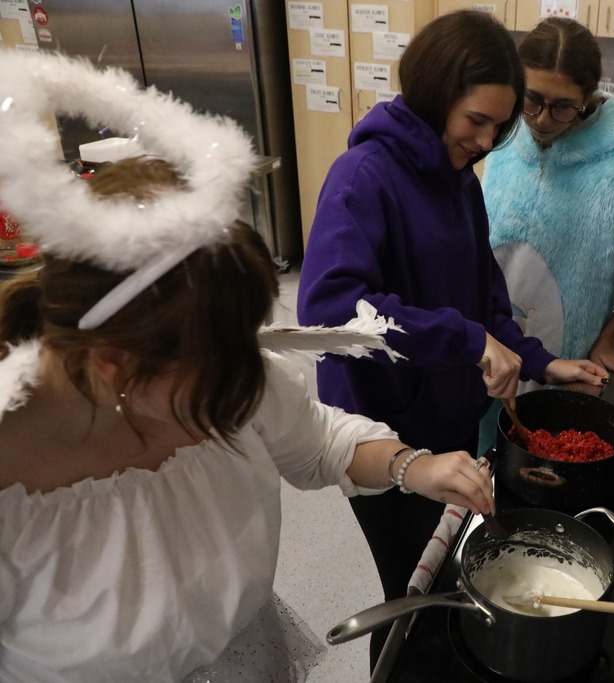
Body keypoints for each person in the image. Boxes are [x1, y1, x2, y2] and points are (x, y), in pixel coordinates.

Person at [0, 52, 496, 682]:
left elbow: (315, 439)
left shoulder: (222, 367)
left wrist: (411, 466)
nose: (248, 381)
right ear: (114, 365)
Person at [296, 9, 608, 665]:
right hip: (382, 431)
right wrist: (465, 340)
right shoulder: (364, 177)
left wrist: (541, 363)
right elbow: (328, 310)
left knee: (445, 580)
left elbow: (484, 296)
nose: (488, 140)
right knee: (411, 592)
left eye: (501, 126)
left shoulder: (460, 178)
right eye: (476, 121)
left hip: (448, 419)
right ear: (438, 95)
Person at [482, 17, 614, 385]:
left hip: (566, 361)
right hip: (489, 351)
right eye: (532, 99)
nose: (542, 119)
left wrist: (607, 340)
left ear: (589, 97)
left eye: (563, 106)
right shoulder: (505, 143)